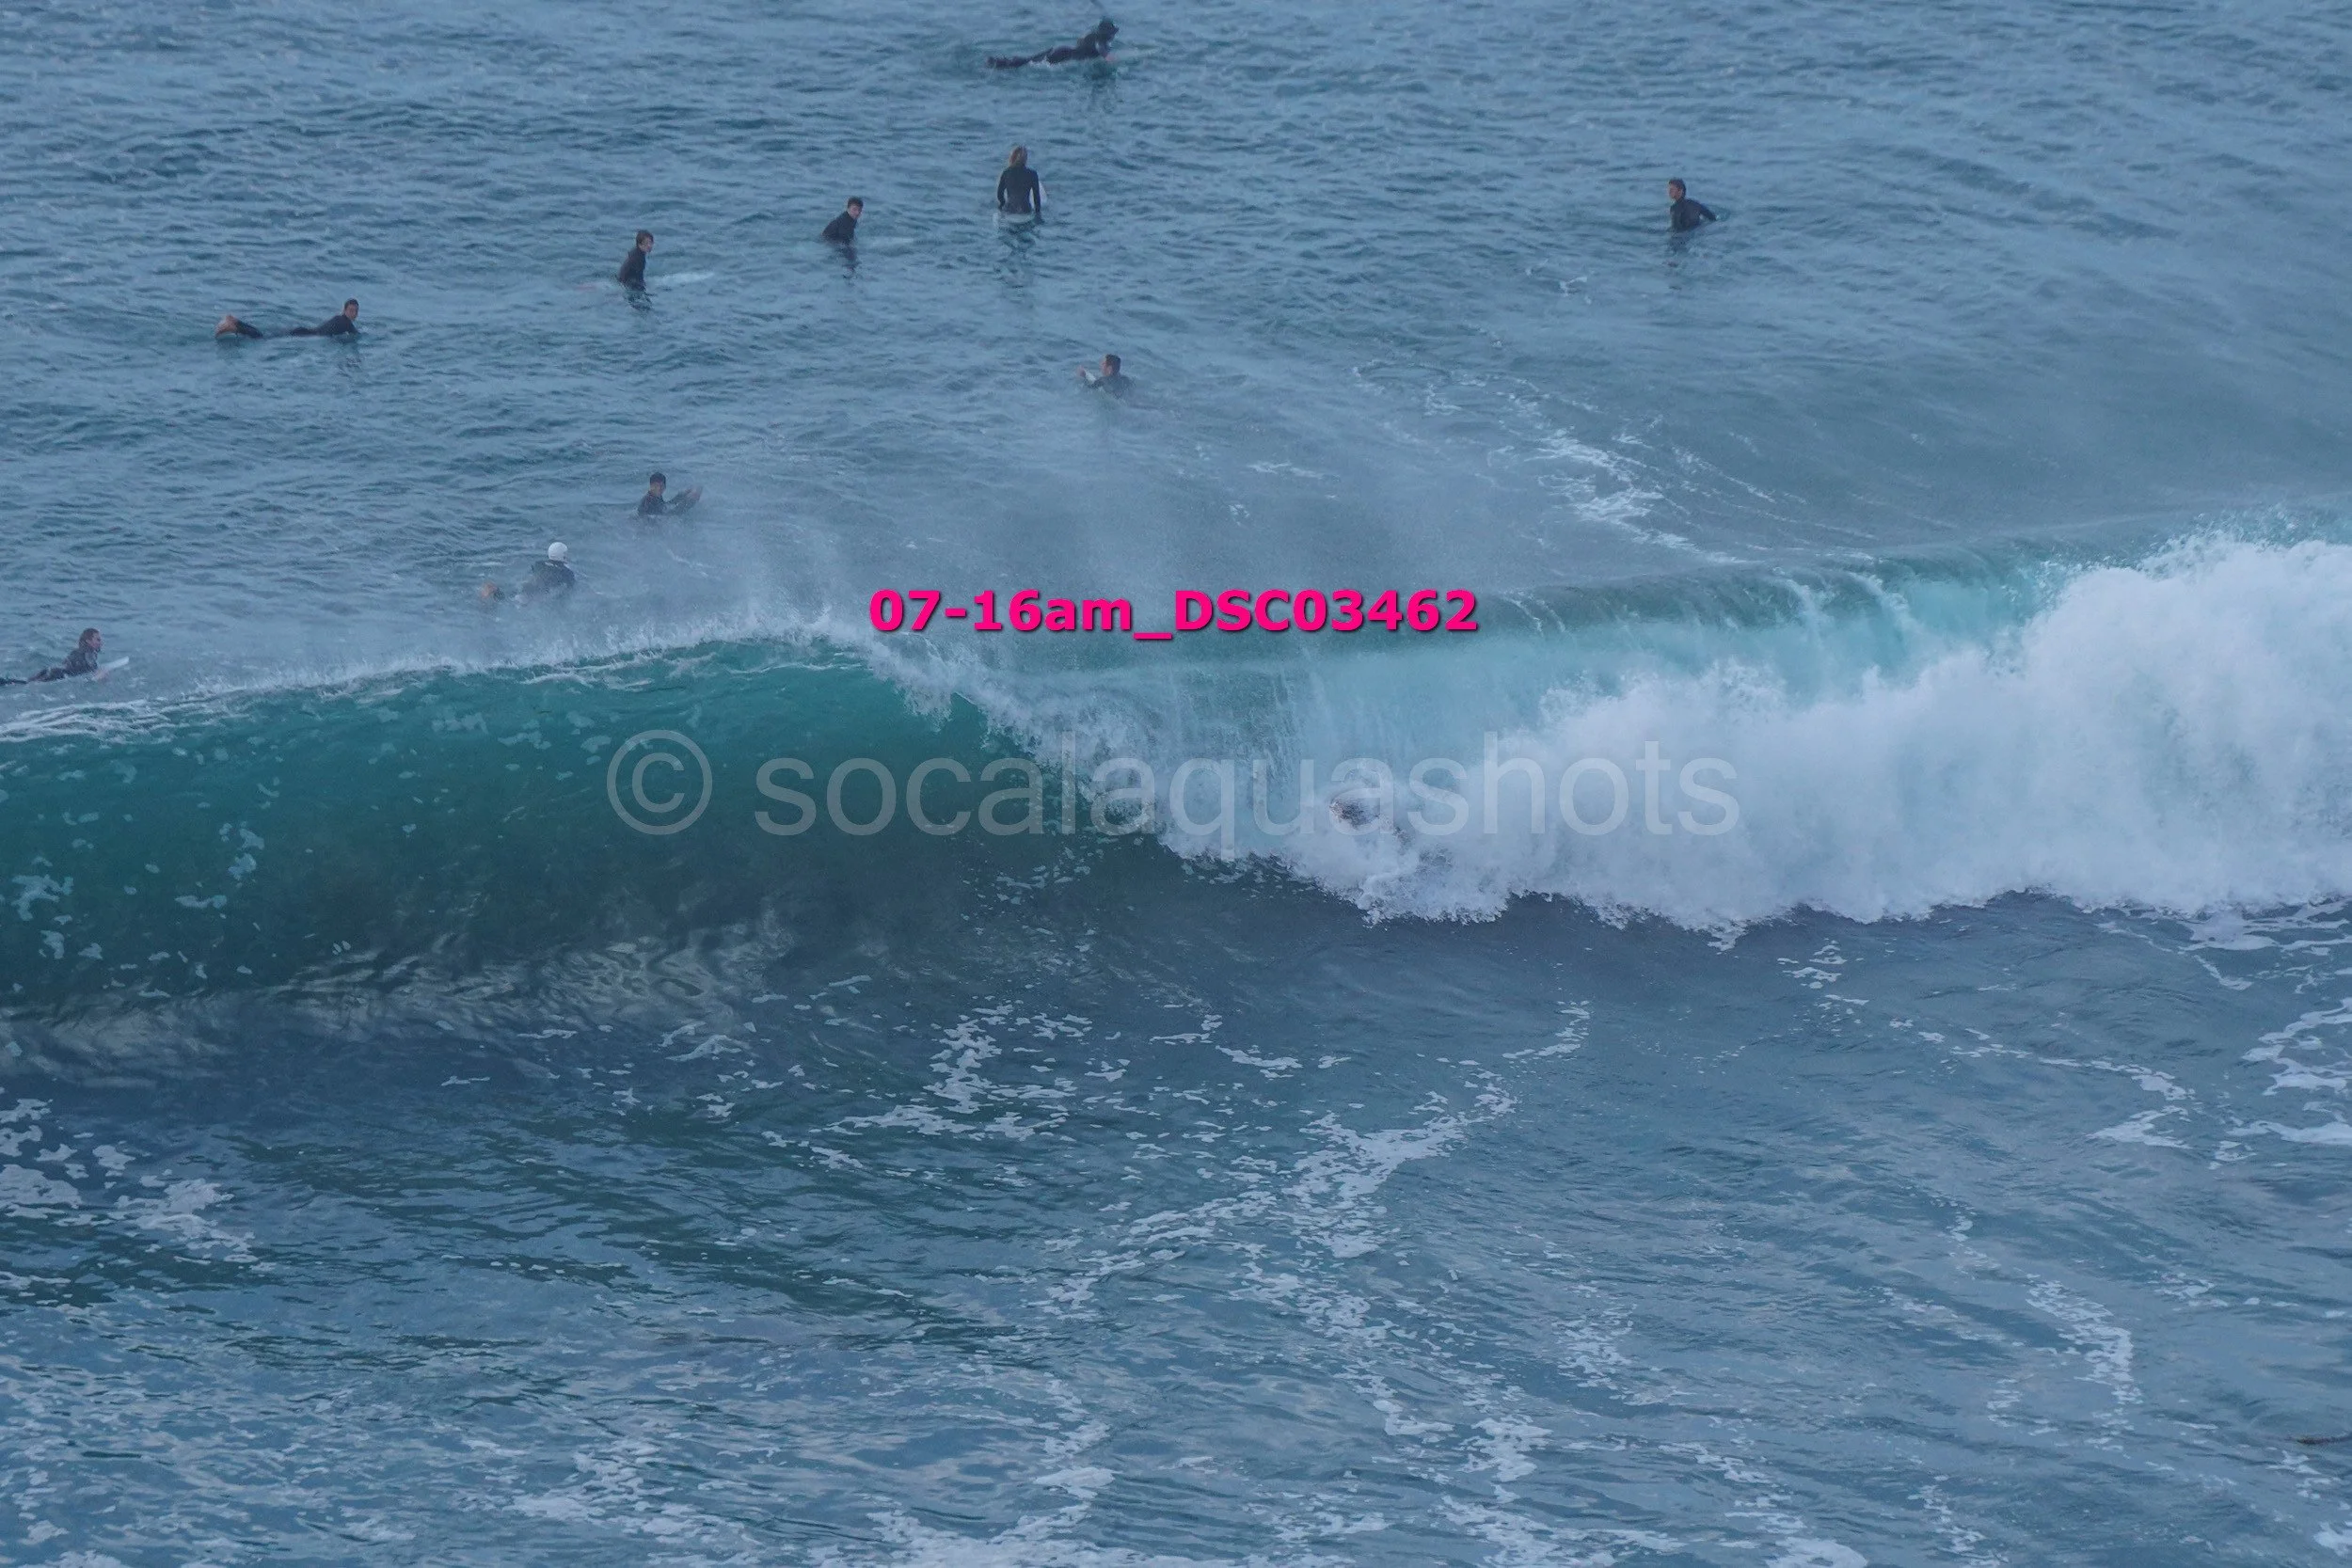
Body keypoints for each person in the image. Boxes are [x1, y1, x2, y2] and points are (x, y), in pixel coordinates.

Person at [989, 18, 1116, 69]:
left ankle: (1001, 63)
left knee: (1029, 61)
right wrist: (1109, 59)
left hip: (1061, 50)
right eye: (1112, 33)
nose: (1113, 35)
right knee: (1030, 63)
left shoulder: (1090, 36)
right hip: (1064, 55)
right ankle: (1002, 64)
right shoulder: (1100, 41)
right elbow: (1101, 49)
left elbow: (1080, 41)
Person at [1, 628, 103, 686]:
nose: (100, 642)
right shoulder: (88, 653)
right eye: (97, 639)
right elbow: (91, 670)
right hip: (57, 675)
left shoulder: (77, 651)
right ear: (88, 641)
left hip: (53, 670)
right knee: (23, 684)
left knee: (24, 682)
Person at [481, 544, 576, 602]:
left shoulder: (539, 564)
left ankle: (492, 590)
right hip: (538, 592)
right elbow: (568, 590)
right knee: (516, 601)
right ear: (562, 555)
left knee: (512, 597)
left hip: (528, 584)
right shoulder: (567, 572)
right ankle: (494, 592)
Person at [215, 299, 358, 339]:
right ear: (344, 310)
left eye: (355, 311)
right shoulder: (346, 323)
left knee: (266, 336)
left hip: (304, 331)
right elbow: (356, 335)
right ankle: (235, 326)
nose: (353, 314)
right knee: (263, 338)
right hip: (306, 334)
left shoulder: (339, 318)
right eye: (351, 310)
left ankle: (236, 323)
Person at [995, 147, 1044, 217]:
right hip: (1025, 210)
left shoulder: (1006, 173)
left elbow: (1000, 194)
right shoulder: (1032, 174)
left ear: (1012, 157)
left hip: (1009, 210)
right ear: (1026, 159)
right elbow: (1036, 197)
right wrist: (1037, 213)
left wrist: (1002, 205)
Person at [637, 472, 701, 516]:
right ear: (651, 486)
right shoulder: (648, 500)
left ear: (665, 487)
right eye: (656, 486)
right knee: (688, 502)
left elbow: (665, 505)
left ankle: (691, 493)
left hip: (662, 513)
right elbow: (643, 517)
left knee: (674, 502)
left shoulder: (656, 496)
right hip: (658, 521)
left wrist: (685, 493)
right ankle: (692, 498)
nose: (659, 488)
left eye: (661, 486)